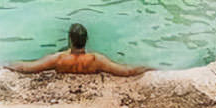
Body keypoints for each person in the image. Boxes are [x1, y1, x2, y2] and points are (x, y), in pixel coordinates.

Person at [8, 23, 148, 76]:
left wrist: (6, 64)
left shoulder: (59, 59)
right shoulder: (96, 60)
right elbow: (127, 71)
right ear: (86, 40)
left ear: (70, 40)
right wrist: (150, 67)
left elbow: (28, 67)